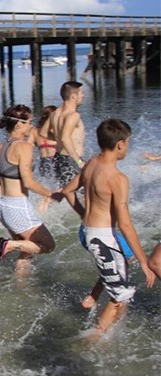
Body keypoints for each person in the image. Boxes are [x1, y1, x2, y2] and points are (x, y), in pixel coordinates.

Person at [61, 119, 155, 339]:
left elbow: (67, 191)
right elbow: (124, 223)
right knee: (121, 297)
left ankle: (96, 303)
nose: (128, 147)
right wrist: (144, 261)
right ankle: (93, 343)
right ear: (120, 144)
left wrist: (84, 214)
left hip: (87, 231)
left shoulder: (91, 164)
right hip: (103, 238)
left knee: (120, 284)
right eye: (128, 143)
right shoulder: (118, 178)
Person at [0, 105, 63, 277]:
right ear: (18, 125)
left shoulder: (1, 146)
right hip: (18, 207)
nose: (32, 126)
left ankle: (20, 287)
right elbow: (29, 181)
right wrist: (51, 194)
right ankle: (9, 246)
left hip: (3, 207)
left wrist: (3, 181)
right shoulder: (24, 147)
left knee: (27, 251)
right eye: (29, 122)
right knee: (47, 245)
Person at [41, 81, 85, 188]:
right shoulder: (73, 115)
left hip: (60, 158)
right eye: (81, 93)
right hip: (72, 160)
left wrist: (58, 139)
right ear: (73, 96)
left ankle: (45, 203)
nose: (83, 96)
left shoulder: (55, 113)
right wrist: (79, 162)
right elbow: (65, 138)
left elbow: (43, 132)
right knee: (80, 192)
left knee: (66, 192)